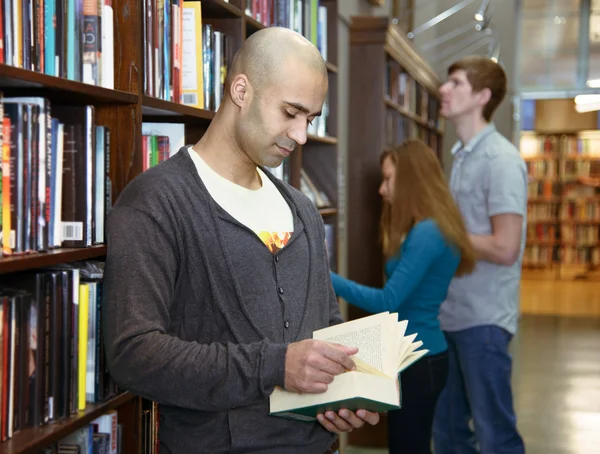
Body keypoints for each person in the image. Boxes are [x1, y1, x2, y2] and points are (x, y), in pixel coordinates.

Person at [102, 27, 379, 454]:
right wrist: (275, 365)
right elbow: (132, 354)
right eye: (290, 112)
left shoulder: (301, 209)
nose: (301, 135)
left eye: (310, 119)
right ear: (241, 90)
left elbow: (325, 324)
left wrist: (345, 388)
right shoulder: (156, 201)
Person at [330, 139, 476, 454]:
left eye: (388, 179)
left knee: (408, 446)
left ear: (410, 180)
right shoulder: (431, 227)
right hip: (419, 355)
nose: (382, 189)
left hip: (419, 361)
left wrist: (326, 278)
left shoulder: (427, 232)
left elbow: (388, 301)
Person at [432, 56, 528, 454]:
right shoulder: (462, 155)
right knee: (450, 433)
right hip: (451, 314)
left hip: (484, 321)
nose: (443, 89)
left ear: (483, 96)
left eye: (455, 83)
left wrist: (440, 235)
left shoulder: (501, 159)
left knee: (495, 437)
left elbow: (506, 247)